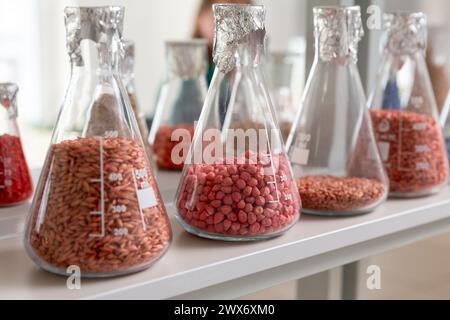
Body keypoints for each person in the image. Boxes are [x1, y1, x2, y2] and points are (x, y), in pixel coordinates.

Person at [192, 0, 252, 84]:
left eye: (240, 18)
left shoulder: (247, 63)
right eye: (221, 15)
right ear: (201, 16)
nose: (231, 27)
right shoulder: (191, 63)